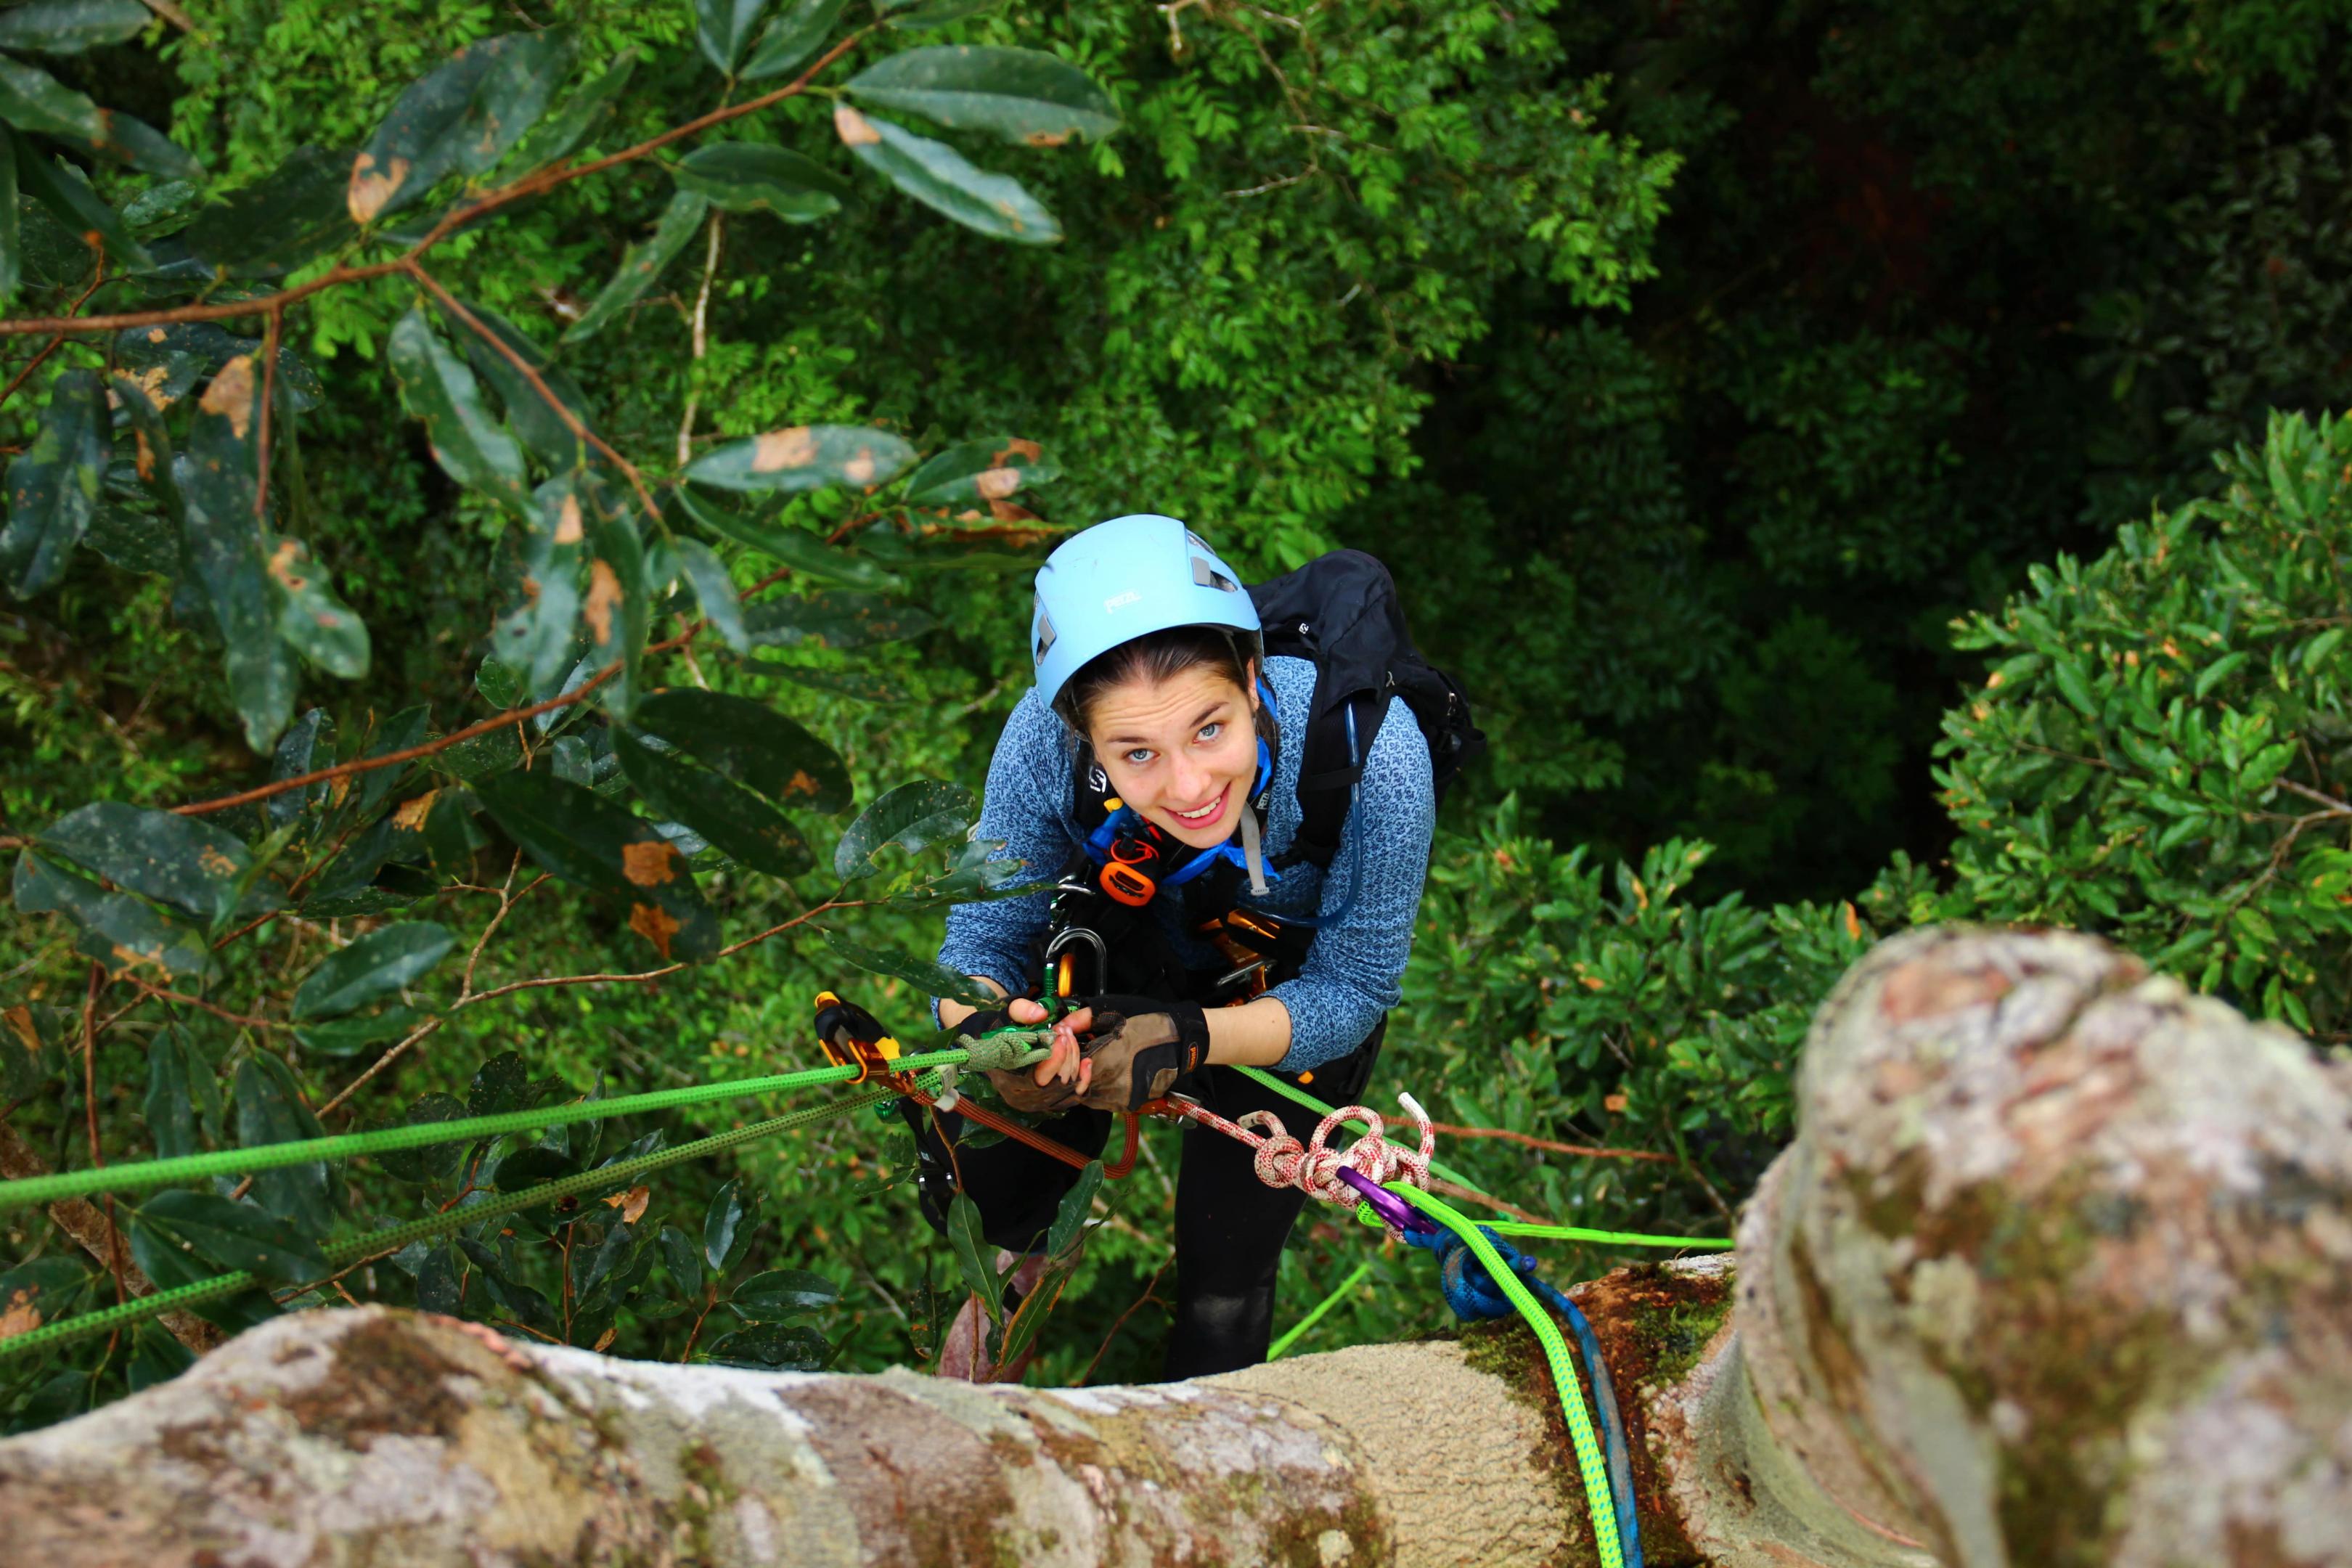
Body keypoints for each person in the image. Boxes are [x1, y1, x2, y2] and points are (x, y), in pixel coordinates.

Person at [913, 513, 1438, 1380]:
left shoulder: (1372, 757)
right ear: (1085, 738)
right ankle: (979, 1377)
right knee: (997, 1210)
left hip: (1284, 1000)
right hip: (1121, 956)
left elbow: (1355, 985)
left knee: (1223, 1282)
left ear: (1252, 675)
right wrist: (982, 1032)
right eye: (1136, 753)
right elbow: (984, 935)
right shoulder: (1042, 745)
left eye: (1209, 728)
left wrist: (1192, 1038)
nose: (1190, 787)